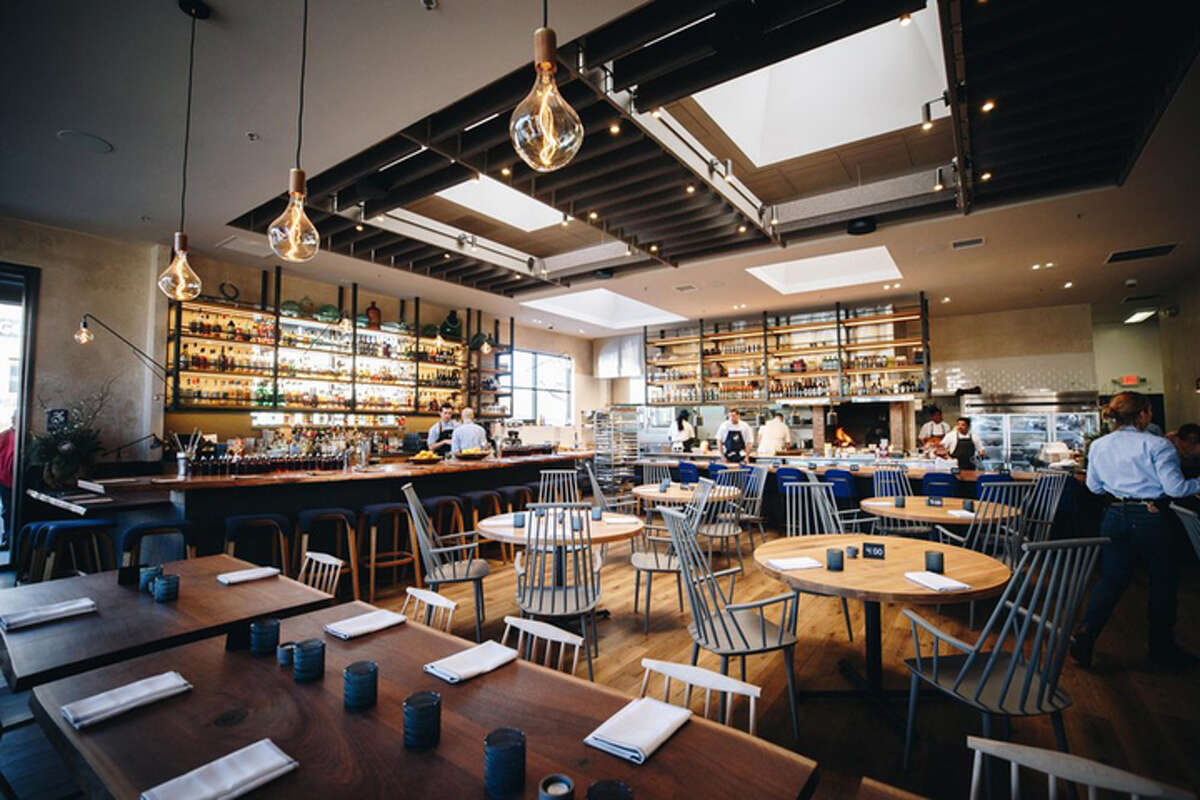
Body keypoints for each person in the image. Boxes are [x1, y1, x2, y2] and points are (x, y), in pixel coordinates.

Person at [1071, 392, 1200, 670]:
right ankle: (1161, 650)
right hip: (1150, 517)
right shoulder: (1158, 445)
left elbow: (1094, 487)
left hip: (1114, 516)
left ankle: (1085, 634)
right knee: (1162, 582)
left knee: (1111, 580)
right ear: (1143, 414)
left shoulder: (1100, 445)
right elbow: (1175, 488)